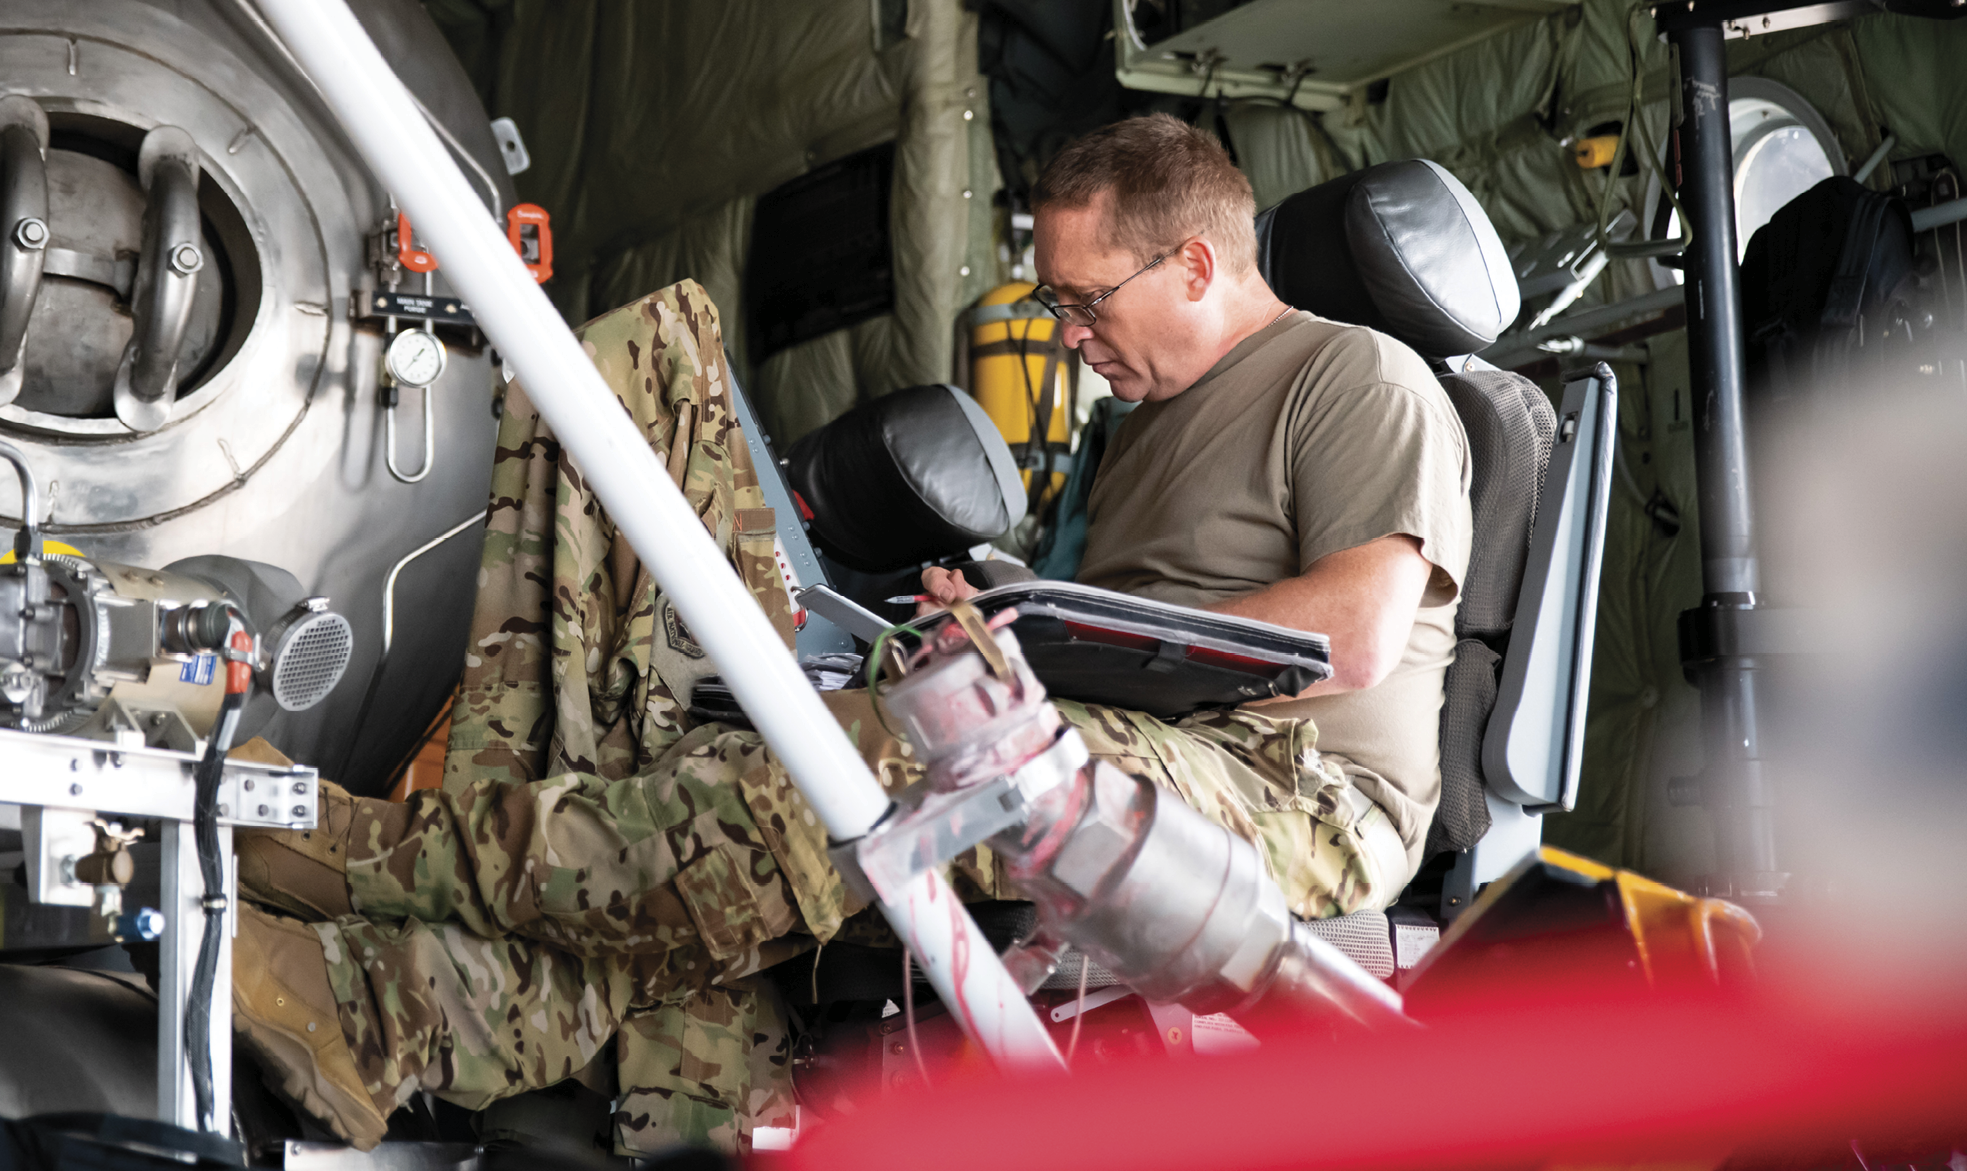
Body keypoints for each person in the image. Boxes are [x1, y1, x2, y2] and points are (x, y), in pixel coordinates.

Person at [229, 116, 1472, 1154]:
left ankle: (362, 857)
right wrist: (989, 623)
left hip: (1296, 796)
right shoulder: (1133, 429)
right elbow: (1116, 646)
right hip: (1129, 750)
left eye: (1084, 302)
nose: (1067, 335)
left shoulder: (1356, 378)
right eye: (1053, 304)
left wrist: (1061, 644)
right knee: (732, 846)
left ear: (1195, 267)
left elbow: (1349, 639)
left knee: (869, 769)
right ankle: (364, 1015)